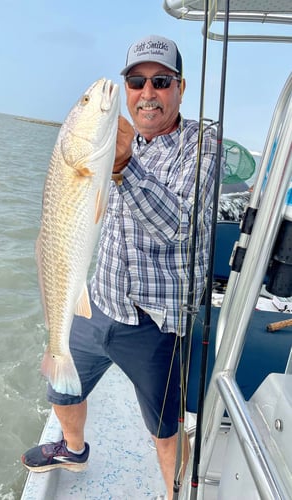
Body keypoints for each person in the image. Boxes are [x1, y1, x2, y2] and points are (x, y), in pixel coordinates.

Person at [21, 34, 218, 499]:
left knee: (164, 426)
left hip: (155, 322)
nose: (146, 92)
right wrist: (112, 156)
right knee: (62, 386)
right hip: (100, 301)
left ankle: (174, 493)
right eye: (136, 80)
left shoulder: (204, 146)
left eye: (160, 81)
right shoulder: (103, 145)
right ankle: (72, 448)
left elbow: (178, 225)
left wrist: (125, 164)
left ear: (180, 88)